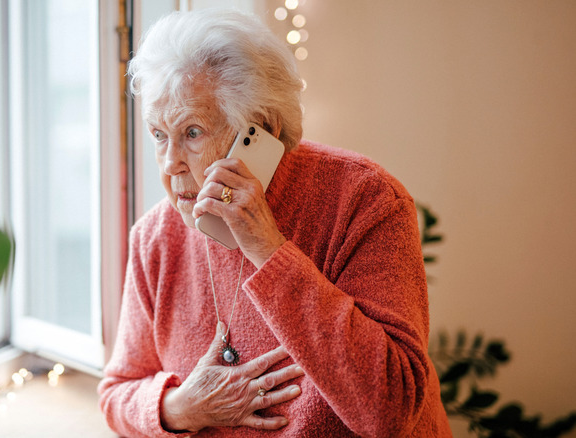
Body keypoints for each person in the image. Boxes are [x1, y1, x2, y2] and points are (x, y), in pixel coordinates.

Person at [98, 8, 452, 437]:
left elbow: (389, 409)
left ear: (261, 129)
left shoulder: (365, 199)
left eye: (193, 133)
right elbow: (117, 392)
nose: (171, 164)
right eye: (158, 135)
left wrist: (267, 248)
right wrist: (181, 407)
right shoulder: (155, 237)